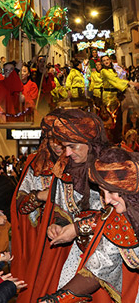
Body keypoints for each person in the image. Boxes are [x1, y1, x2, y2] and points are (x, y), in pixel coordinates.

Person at [38, 147, 139, 303]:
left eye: (111, 192)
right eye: (102, 192)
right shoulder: (119, 218)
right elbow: (99, 266)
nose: (106, 200)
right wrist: (55, 300)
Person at [38, 109, 111, 303]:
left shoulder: (113, 169)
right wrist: (58, 225)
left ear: (90, 143)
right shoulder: (67, 171)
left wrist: (77, 229)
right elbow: (63, 210)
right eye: (65, 147)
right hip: (78, 257)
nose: (67, 153)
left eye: (73, 146)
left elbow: (121, 219)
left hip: (111, 260)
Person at [11, 110, 74, 303]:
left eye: (60, 139)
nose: (56, 144)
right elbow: (20, 206)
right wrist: (41, 196)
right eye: (51, 139)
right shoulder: (35, 164)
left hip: (72, 239)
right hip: (39, 239)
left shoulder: (77, 163)